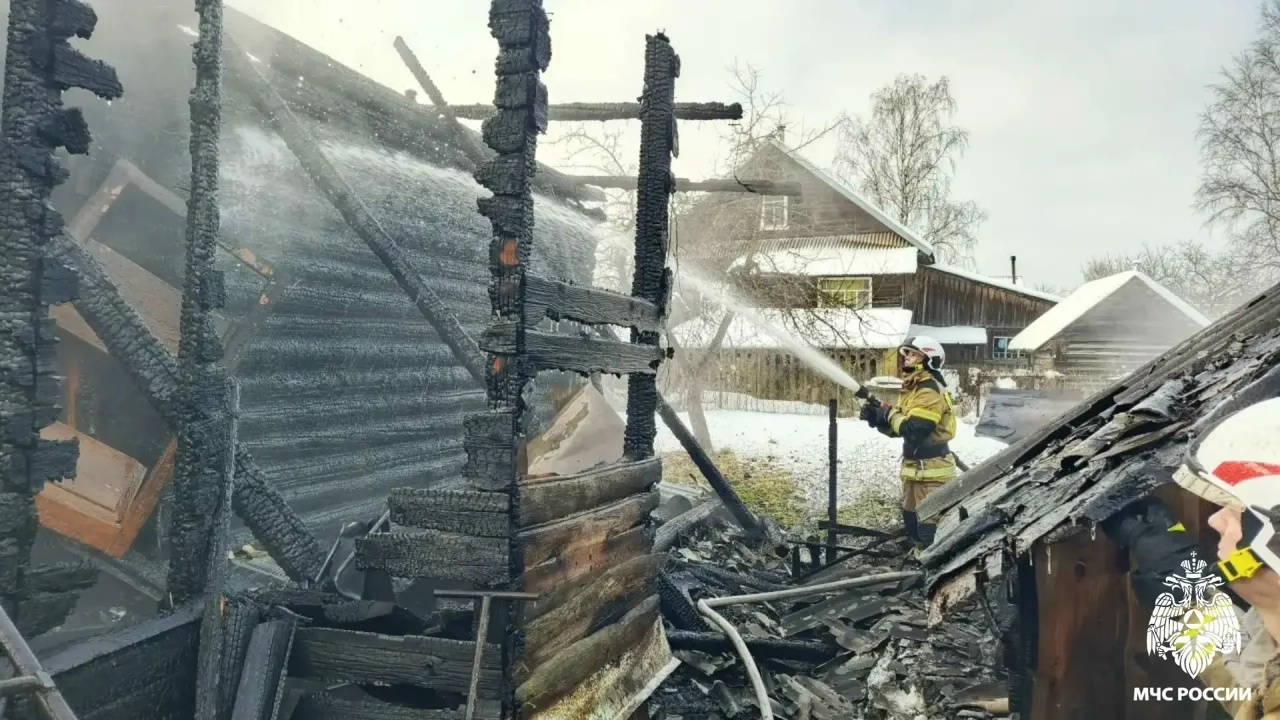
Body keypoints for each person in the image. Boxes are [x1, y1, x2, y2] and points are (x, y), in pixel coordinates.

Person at [859, 335, 957, 548]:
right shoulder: (914, 388)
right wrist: (878, 419)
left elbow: (915, 431)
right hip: (915, 472)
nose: (906, 358)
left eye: (913, 354)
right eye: (907, 353)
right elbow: (901, 427)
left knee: (929, 529)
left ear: (928, 359)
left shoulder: (928, 390)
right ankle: (917, 564)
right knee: (912, 525)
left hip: (933, 474)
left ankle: (932, 574)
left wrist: (888, 416)